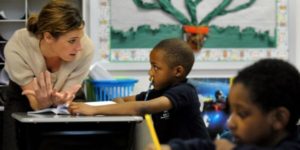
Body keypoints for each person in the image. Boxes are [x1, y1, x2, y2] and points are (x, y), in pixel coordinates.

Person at [69, 38, 210, 143]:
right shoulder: (157, 93)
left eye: (156, 67)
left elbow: (142, 107)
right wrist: (120, 104)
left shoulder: (185, 91)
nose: (150, 73)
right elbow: (124, 100)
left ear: (178, 71)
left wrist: (94, 110)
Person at [147, 58, 300, 150]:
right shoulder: (245, 141)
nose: (231, 122)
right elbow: (209, 146)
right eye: (231, 112)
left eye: (242, 114)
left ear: (278, 118)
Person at [3, 0, 94, 149]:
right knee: (14, 144)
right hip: (22, 98)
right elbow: (35, 103)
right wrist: (42, 103)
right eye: (72, 41)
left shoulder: (86, 48)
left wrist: (63, 102)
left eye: (80, 39)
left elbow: (66, 96)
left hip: (67, 98)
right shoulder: (18, 44)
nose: (79, 47)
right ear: (48, 37)